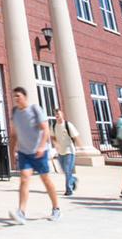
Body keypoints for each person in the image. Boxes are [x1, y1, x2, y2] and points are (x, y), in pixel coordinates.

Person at [7, 87, 61, 223]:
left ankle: (56, 208)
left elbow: (45, 130)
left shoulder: (35, 110)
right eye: (14, 96)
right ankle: (21, 212)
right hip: (24, 152)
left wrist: (41, 147)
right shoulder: (14, 112)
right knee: (24, 179)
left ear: (25, 96)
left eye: (18, 96)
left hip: (38, 151)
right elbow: (13, 135)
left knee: (45, 179)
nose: (16, 99)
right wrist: (11, 152)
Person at [50, 107, 80, 196]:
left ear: (62, 115)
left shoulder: (68, 125)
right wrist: (55, 144)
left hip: (69, 150)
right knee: (64, 170)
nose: (57, 116)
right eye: (55, 114)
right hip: (60, 151)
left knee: (67, 170)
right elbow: (52, 137)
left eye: (58, 114)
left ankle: (68, 189)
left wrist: (81, 149)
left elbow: (76, 137)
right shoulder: (54, 126)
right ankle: (73, 179)